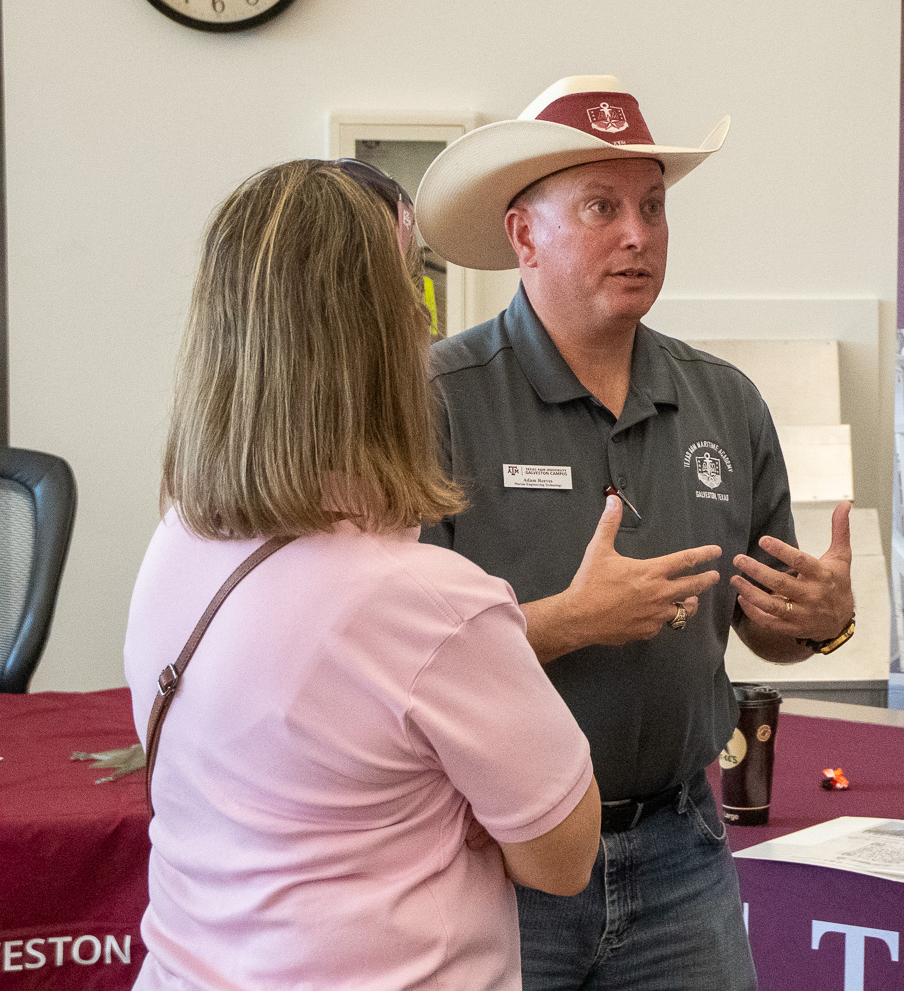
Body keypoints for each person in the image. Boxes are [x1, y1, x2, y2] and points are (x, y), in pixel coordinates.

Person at [413, 76, 857, 991]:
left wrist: (823, 618)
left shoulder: (724, 400)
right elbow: (392, 666)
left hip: (682, 855)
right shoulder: (434, 403)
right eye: (602, 207)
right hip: (498, 859)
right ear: (523, 234)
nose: (639, 234)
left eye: (653, 207)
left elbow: (765, 628)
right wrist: (571, 620)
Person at [124, 160, 600, 990]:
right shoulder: (430, 602)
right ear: (383, 336)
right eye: (412, 288)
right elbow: (563, 858)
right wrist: (458, 806)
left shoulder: (175, 542)